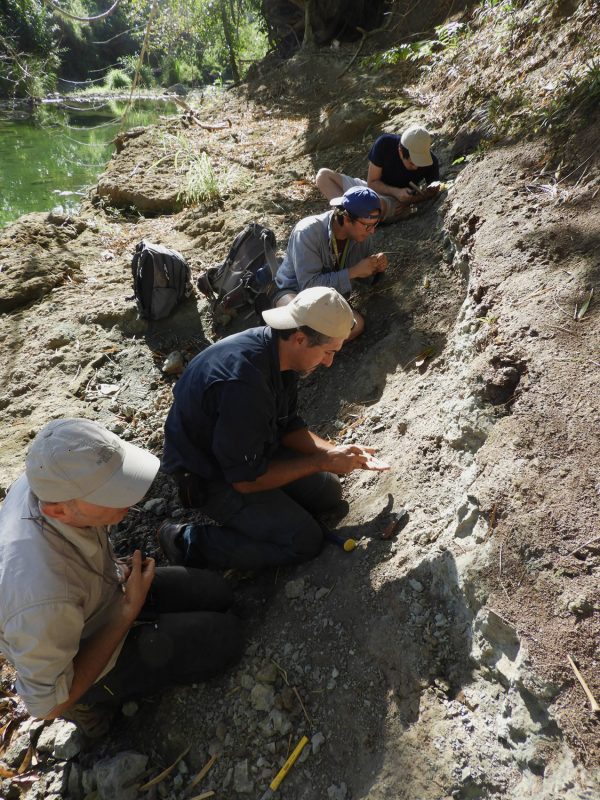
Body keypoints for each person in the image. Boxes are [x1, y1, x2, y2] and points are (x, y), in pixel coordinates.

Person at [0, 418, 242, 736]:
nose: (130, 497)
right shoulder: (40, 599)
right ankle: (89, 703)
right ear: (59, 511)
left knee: (219, 591)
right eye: (110, 493)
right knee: (225, 637)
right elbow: (45, 705)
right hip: (81, 643)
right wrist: (127, 611)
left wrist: (114, 569)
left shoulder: (47, 478)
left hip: (103, 595)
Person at [159, 287, 389, 573]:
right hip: (210, 474)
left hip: (250, 448)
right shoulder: (243, 384)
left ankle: (271, 512)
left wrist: (338, 453)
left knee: (328, 492)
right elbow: (245, 480)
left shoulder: (280, 354)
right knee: (305, 540)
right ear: (301, 338)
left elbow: (287, 424)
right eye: (328, 352)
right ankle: (186, 542)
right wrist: (320, 461)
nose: (329, 363)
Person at [272, 186, 388, 340]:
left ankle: (317, 350)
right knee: (299, 329)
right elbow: (308, 287)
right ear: (347, 219)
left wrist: (376, 268)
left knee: (356, 326)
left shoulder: (363, 235)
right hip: (295, 292)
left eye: (375, 224)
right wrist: (353, 272)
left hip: (329, 300)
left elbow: (365, 279)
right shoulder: (308, 232)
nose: (372, 231)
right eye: (368, 226)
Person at [316, 124, 441, 223]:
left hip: (393, 203)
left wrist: (411, 200)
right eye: (412, 163)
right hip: (371, 190)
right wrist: (396, 191)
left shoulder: (431, 162)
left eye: (420, 163)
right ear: (401, 151)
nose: (416, 167)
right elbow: (372, 183)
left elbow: (433, 191)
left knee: (372, 204)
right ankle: (349, 216)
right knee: (323, 176)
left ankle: (350, 218)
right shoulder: (385, 144)